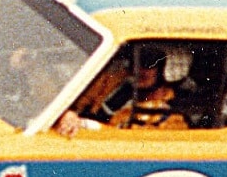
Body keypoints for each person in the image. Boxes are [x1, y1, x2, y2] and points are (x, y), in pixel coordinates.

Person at [54, 45, 190, 136]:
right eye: (136, 62)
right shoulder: (112, 81)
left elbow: (130, 144)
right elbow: (64, 100)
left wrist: (86, 124)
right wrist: (67, 113)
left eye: (149, 64)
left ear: (164, 70)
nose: (140, 70)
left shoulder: (174, 118)